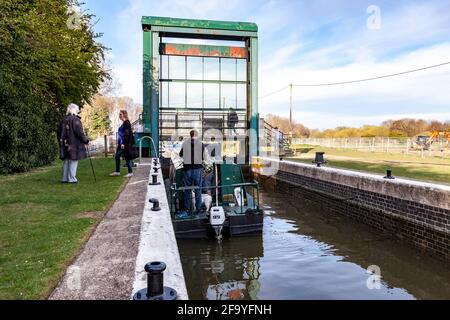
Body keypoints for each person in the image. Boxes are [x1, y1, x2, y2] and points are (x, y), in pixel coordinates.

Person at [57, 103, 89, 184]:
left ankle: (64, 178)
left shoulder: (63, 120)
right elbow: (79, 133)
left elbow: (58, 133)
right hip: (74, 144)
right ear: (75, 110)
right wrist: (86, 140)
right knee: (73, 160)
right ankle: (72, 179)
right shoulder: (75, 120)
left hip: (64, 144)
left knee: (66, 160)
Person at [179, 130, 206, 214]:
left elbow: (180, 154)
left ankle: (187, 209)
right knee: (198, 189)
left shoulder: (185, 143)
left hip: (187, 169)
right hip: (197, 169)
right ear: (197, 136)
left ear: (190, 135)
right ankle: (198, 209)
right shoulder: (200, 144)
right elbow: (203, 157)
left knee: (187, 189)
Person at [110, 110, 137, 178]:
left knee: (127, 157)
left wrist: (123, 143)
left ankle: (130, 172)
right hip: (120, 143)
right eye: (119, 114)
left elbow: (126, 134)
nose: (119, 116)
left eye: (120, 114)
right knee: (117, 156)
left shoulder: (126, 122)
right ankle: (117, 171)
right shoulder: (124, 123)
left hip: (123, 144)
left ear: (124, 115)